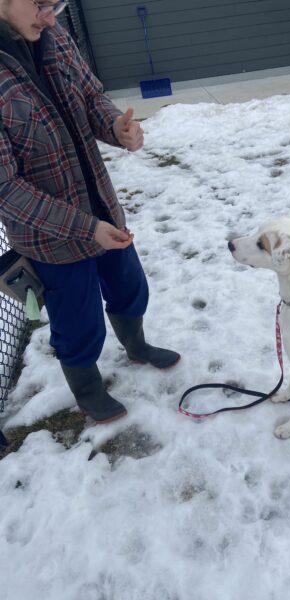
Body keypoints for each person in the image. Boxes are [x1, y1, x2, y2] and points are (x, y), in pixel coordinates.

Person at [0, 0, 180, 424]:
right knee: (77, 320)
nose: (51, 16)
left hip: (101, 205)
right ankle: (88, 389)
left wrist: (116, 127)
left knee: (129, 286)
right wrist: (84, 228)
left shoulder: (52, 33)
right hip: (52, 237)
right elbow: (6, 188)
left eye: (56, 5)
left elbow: (90, 95)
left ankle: (136, 346)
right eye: (40, 4)